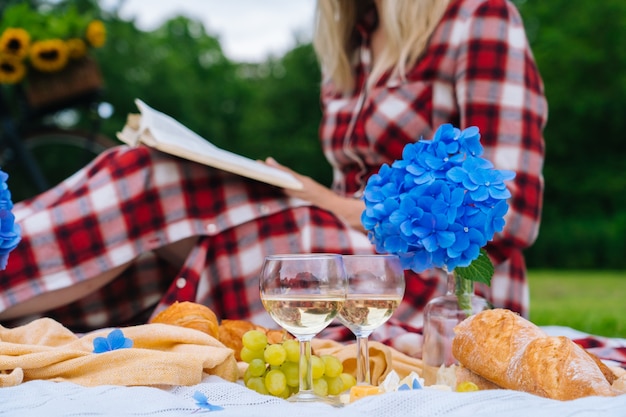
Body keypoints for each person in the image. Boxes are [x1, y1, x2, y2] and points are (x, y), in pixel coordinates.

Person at [0, 0, 546, 355]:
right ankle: (28, 334)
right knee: (156, 213)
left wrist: (317, 198)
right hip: (353, 249)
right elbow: (351, 194)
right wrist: (315, 198)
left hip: (444, 285)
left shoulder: (479, 17)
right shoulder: (353, 40)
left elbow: (512, 216)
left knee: (157, 179)